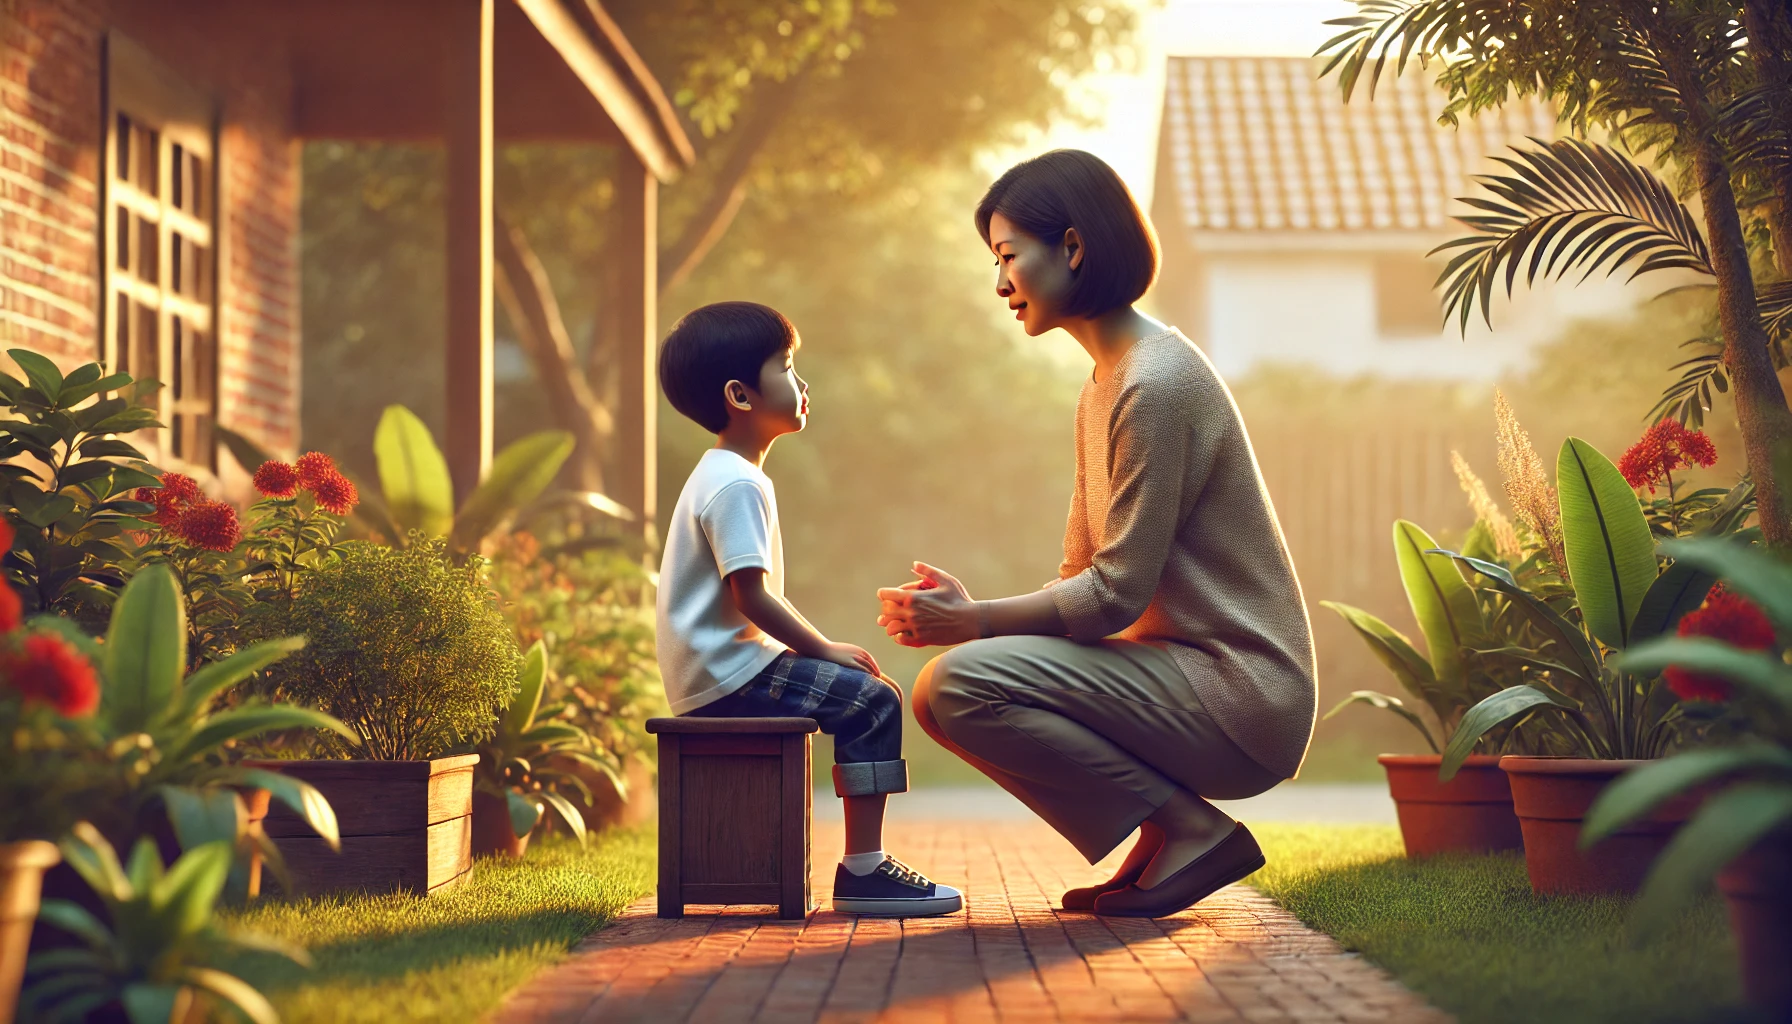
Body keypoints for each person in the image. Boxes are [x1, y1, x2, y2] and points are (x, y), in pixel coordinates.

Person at [876, 150, 1317, 919]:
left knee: (959, 683)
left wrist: (976, 623)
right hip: (1179, 669)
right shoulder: (1107, 385)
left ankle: (1189, 827)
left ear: (1073, 248)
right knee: (957, 682)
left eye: (1009, 256)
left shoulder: (1156, 385)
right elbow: (1081, 571)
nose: (1000, 282)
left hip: (1239, 690)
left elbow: (1114, 595)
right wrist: (978, 622)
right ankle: (1165, 833)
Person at [655, 300, 962, 917]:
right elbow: (752, 594)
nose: (802, 384)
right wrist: (820, 647)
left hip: (719, 671)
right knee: (871, 699)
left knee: (858, 694)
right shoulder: (737, 482)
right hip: (727, 676)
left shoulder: (724, 474)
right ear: (740, 395)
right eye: (788, 367)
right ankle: (865, 870)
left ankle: (863, 866)